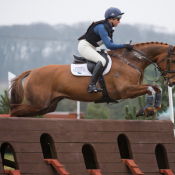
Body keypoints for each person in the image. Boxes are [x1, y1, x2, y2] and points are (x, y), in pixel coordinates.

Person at [78, 7, 132, 93]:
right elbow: (109, 45)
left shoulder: (110, 29)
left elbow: (111, 46)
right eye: (118, 19)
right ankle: (91, 85)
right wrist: (124, 45)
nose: (119, 21)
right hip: (84, 46)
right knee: (102, 60)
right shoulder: (102, 27)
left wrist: (123, 49)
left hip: (92, 47)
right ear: (111, 18)